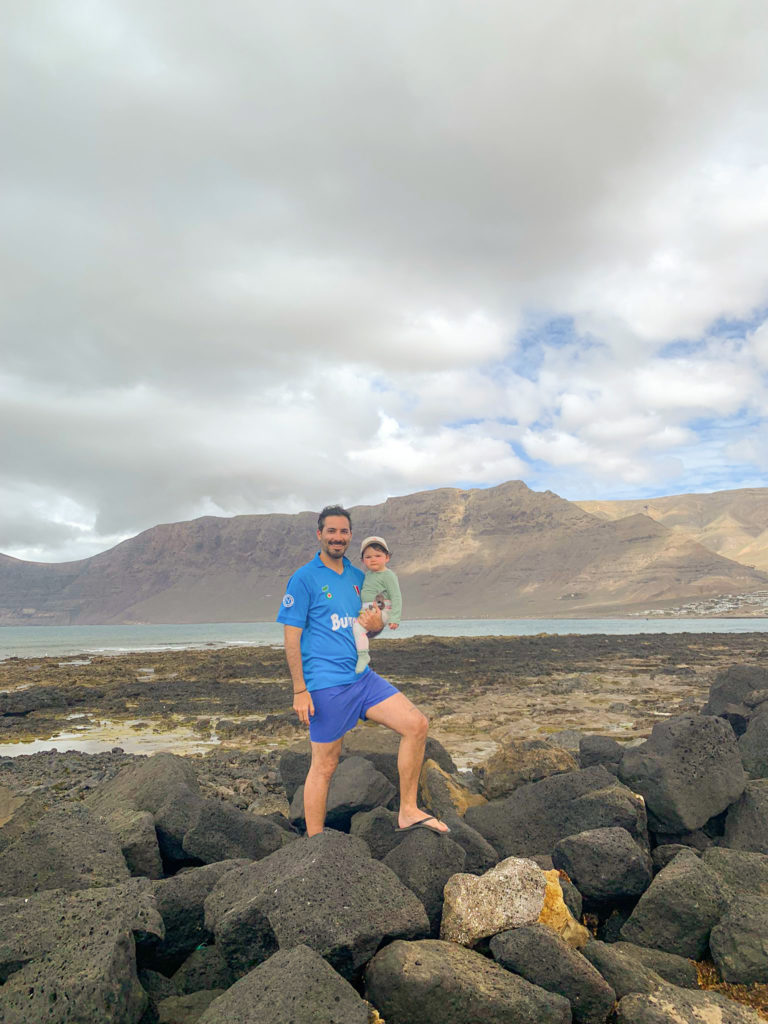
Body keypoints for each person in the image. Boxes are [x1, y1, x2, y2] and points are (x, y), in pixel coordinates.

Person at [277, 504, 450, 837]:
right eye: (331, 531)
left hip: (362, 679)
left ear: (350, 536)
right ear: (320, 534)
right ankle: (315, 842)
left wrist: (376, 626)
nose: (337, 537)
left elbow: (369, 629)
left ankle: (408, 810)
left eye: (343, 532)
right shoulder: (304, 578)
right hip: (326, 685)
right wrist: (300, 690)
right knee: (325, 763)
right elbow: (291, 637)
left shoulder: (361, 578)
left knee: (416, 725)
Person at [352, 535, 402, 673]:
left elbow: (396, 596)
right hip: (367, 609)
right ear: (363, 560)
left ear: (387, 558)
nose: (373, 559)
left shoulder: (388, 575)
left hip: (382, 609)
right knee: (356, 628)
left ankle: (363, 656)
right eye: (368, 557)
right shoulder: (368, 575)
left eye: (378, 556)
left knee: (359, 628)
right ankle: (363, 654)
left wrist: (394, 618)